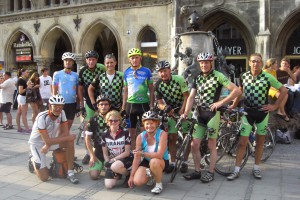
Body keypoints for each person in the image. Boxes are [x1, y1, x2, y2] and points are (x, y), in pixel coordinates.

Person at [181, 52, 241, 183]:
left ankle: (210, 172)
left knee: (211, 144)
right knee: (194, 144)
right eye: (201, 62)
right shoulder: (197, 77)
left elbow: (236, 90)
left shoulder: (218, 76)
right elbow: (191, 97)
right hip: (200, 114)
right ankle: (197, 171)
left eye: (206, 62)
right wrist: (186, 112)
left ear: (210, 63)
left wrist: (221, 102)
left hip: (213, 114)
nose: (203, 65)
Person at [227, 53, 288, 180]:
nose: (255, 64)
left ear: (261, 63)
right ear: (249, 63)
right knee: (242, 142)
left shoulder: (267, 77)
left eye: (258, 61)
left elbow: (284, 90)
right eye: (253, 61)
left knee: (260, 142)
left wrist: (275, 106)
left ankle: (256, 168)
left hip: (262, 113)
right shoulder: (243, 76)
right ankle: (236, 170)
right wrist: (233, 105)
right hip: (247, 112)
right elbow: (240, 91)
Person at [28, 94, 79, 184]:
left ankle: (70, 172)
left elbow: (65, 133)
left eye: (60, 106)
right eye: (55, 106)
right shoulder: (42, 117)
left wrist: (50, 144)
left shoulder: (62, 113)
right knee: (44, 177)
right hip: (37, 144)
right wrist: (49, 143)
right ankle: (32, 159)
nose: (58, 108)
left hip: (50, 141)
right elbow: (47, 140)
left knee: (69, 141)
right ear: (49, 106)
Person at [154, 60, 190, 173]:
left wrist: (183, 109)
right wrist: (164, 108)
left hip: (184, 109)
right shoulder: (158, 85)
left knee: (186, 136)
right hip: (171, 111)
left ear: (169, 70)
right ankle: (173, 162)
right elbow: (159, 102)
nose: (163, 74)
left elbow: (187, 96)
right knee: (172, 137)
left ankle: (185, 161)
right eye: (160, 72)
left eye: (164, 71)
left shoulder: (179, 79)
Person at [128, 111, 168, 194]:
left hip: (161, 160)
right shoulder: (140, 137)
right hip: (147, 160)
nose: (149, 126)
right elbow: (137, 158)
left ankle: (158, 184)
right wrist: (131, 176)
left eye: (152, 123)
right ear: (143, 124)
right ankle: (152, 174)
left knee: (154, 161)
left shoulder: (162, 134)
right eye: (147, 123)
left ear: (157, 123)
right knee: (138, 182)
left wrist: (142, 153)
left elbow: (159, 155)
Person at [122, 48, 154, 149]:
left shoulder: (146, 71)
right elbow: (125, 91)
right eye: (132, 58)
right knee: (131, 133)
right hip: (130, 105)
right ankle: (132, 153)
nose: (134, 60)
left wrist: (152, 104)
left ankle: (145, 152)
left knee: (144, 132)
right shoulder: (126, 72)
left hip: (143, 104)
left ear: (140, 58)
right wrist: (123, 106)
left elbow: (152, 90)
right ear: (129, 60)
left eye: (136, 57)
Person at [78, 50, 106, 164]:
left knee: (104, 125)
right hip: (89, 101)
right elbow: (79, 88)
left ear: (96, 60)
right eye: (89, 59)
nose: (91, 61)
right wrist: (81, 105)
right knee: (87, 127)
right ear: (86, 60)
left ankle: (104, 151)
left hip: (103, 101)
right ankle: (87, 153)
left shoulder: (102, 68)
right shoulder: (83, 71)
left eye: (93, 59)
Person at [101, 110, 132, 189]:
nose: (113, 122)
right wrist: (107, 162)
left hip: (125, 158)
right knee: (109, 185)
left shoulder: (125, 132)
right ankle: (118, 171)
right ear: (107, 122)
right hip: (113, 160)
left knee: (115, 166)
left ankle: (128, 174)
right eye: (111, 120)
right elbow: (105, 153)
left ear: (119, 121)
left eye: (116, 120)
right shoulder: (104, 134)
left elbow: (127, 152)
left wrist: (113, 160)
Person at [84, 95, 110, 180]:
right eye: (101, 104)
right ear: (98, 106)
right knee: (94, 175)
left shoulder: (114, 118)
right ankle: (100, 164)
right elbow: (87, 139)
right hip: (98, 149)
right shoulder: (92, 120)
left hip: (112, 151)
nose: (104, 106)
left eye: (106, 104)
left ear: (109, 106)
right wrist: (92, 155)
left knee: (113, 175)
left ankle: (105, 165)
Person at [52, 52, 79, 130]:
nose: (68, 62)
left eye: (70, 61)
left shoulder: (76, 75)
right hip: (61, 103)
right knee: (60, 125)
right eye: (66, 60)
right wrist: (54, 102)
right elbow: (55, 87)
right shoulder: (57, 74)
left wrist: (78, 104)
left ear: (73, 62)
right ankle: (61, 139)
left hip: (72, 103)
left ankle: (65, 139)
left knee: (69, 124)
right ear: (63, 62)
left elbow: (77, 90)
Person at [16, 68, 31, 133]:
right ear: (23, 73)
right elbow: (20, 91)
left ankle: (19, 128)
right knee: (24, 114)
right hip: (22, 97)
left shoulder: (22, 79)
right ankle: (27, 128)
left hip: (21, 97)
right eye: (27, 72)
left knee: (19, 113)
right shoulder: (21, 80)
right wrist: (28, 87)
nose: (28, 73)